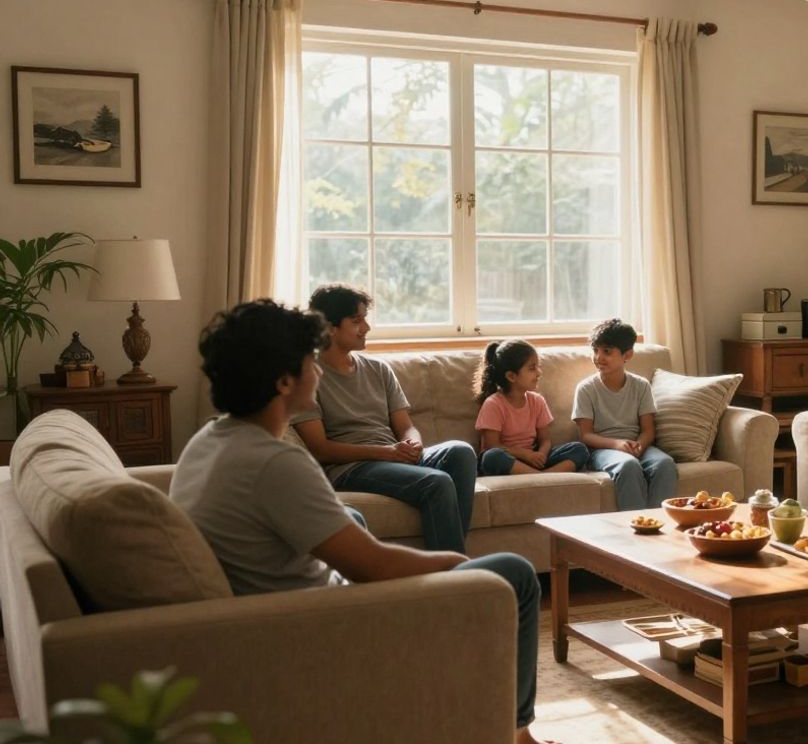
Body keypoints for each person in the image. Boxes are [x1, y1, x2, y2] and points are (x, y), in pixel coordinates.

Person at [170, 300, 552, 743]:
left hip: (297, 605)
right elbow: (375, 569)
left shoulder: (209, 440)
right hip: (336, 625)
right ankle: (515, 732)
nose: (317, 368)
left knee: (350, 514)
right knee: (517, 573)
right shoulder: (276, 463)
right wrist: (452, 564)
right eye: (308, 360)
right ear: (283, 380)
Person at [293, 284, 476, 553]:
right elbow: (320, 449)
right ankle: (454, 576)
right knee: (437, 482)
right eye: (357, 321)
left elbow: (407, 426)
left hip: (393, 455)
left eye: (365, 319)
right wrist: (387, 453)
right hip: (352, 467)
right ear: (329, 327)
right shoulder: (309, 377)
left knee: (461, 452)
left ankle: (452, 566)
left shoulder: (379, 369)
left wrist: (411, 443)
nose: (366, 327)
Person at [572, 319, 677, 511]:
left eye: (607, 351)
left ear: (627, 354)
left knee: (665, 464)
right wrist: (617, 444)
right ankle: (637, 525)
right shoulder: (586, 389)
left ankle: (658, 524)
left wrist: (640, 445)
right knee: (628, 465)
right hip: (602, 449)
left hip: (636, 445)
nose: (599, 357)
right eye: (595, 350)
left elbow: (648, 430)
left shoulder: (641, 385)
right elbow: (585, 435)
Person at [475, 339, 589, 475]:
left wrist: (541, 454)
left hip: (533, 459)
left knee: (579, 449)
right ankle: (543, 478)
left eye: (537, 367)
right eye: (532, 368)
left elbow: (545, 439)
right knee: (491, 457)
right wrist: (524, 454)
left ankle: (538, 477)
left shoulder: (537, 401)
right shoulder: (493, 404)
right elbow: (492, 445)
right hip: (510, 460)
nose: (539, 372)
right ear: (511, 376)